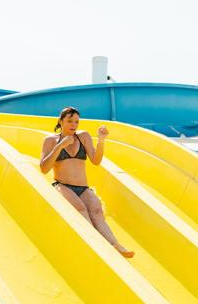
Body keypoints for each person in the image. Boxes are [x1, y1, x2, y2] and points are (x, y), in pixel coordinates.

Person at [40, 106, 134, 258]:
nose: (73, 125)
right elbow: (44, 168)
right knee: (80, 209)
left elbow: (96, 160)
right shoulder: (50, 141)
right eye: (70, 121)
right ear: (61, 121)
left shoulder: (83, 136)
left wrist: (101, 141)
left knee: (97, 211)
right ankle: (96, 244)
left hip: (83, 187)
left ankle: (115, 245)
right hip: (62, 185)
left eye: (76, 121)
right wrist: (60, 146)